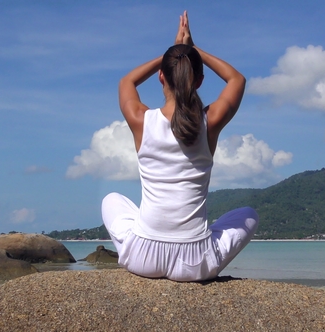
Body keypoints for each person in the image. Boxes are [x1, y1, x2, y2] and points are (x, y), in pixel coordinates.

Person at [102, 11, 258, 282]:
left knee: (111, 200)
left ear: (161, 77)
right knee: (249, 215)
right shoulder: (210, 122)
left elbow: (126, 81)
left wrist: (172, 52)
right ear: (199, 80)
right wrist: (192, 50)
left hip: (143, 257)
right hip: (196, 262)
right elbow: (237, 80)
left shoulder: (141, 120)